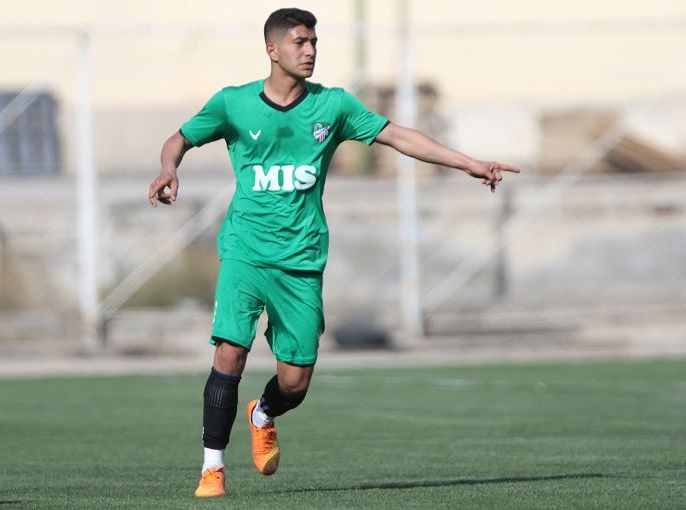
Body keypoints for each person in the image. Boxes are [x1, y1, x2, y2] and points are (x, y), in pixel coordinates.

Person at [148, 7, 520, 498]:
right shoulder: (233, 103)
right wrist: (168, 168)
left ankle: (263, 413)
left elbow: (398, 135)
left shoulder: (333, 106)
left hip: (301, 261)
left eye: (314, 42)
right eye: (299, 42)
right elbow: (179, 138)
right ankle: (212, 468)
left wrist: (467, 162)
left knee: (295, 382)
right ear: (272, 50)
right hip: (244, 253)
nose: (309, 51)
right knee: (230, 351)